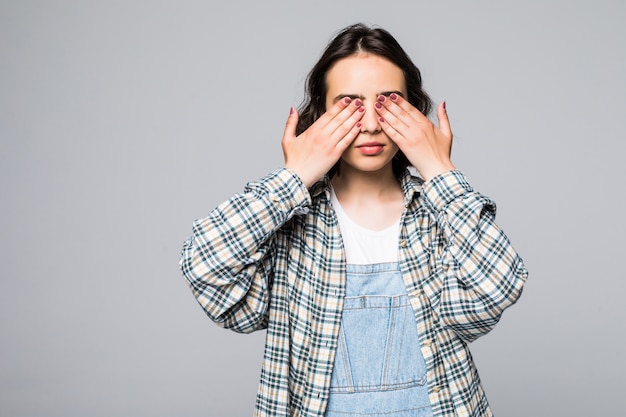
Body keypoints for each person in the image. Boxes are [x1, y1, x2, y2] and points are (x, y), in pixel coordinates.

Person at [179, 23, 528, 417]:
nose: (371, 124)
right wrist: (292, 180)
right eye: (349, 104)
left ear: (412, 110)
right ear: (321, 114)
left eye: (388, 102)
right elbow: (205, 270)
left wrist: (440, 171)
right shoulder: (294, 222)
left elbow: (493, 293)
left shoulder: (437, 216)